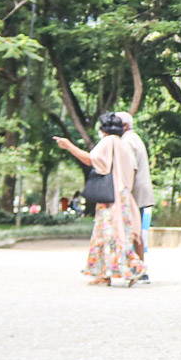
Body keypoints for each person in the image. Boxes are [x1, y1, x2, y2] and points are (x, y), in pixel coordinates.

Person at [54, 113, 145, 287]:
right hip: (123, 194)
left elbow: (91, 160)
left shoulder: (109, 141)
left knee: (108, 234)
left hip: (111, 198)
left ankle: (127, 270)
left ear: (103, 129)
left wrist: (68, 146)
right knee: (118, 234)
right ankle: (108, 273)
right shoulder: (123, 145)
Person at [117, 112, 154, 280]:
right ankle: (138, 268)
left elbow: (130, 167)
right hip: (139, 190)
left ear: (124, 125)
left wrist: (125, 193)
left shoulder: (126, 141)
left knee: (133, 231)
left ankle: (138, 268)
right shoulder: (134, 138)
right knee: (135, 230)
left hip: (133, 192)